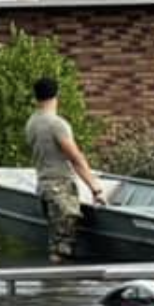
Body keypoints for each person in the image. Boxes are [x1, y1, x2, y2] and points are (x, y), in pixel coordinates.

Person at [26, 77, 107, 263]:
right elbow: (76, 158)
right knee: (62, 249)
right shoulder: (56, 124)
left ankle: (56, 289)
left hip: (45, 187)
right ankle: (61, 290)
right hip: (60, 190)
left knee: (56, 244)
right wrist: (96, 189)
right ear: (56, 95)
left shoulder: (32, 123)